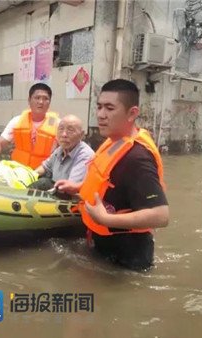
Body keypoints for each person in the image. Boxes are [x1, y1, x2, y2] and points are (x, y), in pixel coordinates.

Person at [55, 79, 169, 271]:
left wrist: (107, 219)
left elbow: (161, 215)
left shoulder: (138, 157)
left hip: (127, 255)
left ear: (132, 113)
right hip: (102, 241)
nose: (101, 115)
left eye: (109, 108)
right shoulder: (113, 140)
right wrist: (79, 187)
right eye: (99, 107)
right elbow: (108, 181)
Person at [0, 83, 59, 169]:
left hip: (44, 172)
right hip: (18, 170)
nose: (41, 102)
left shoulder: (59, 125)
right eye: (37, 98)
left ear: (49, 102)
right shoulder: (17, 121)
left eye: (45, 99)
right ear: (29, 100)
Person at [29, 114, 94, 191]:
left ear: (81, 135)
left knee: (44, 183)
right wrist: (29, 177)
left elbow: (70, 188)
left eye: (70, 130)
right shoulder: (60, 149)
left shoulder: (85, 155)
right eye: (61, 129)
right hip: (57, 194)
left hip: (71, 198)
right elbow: (45, 167)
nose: (64, 134)